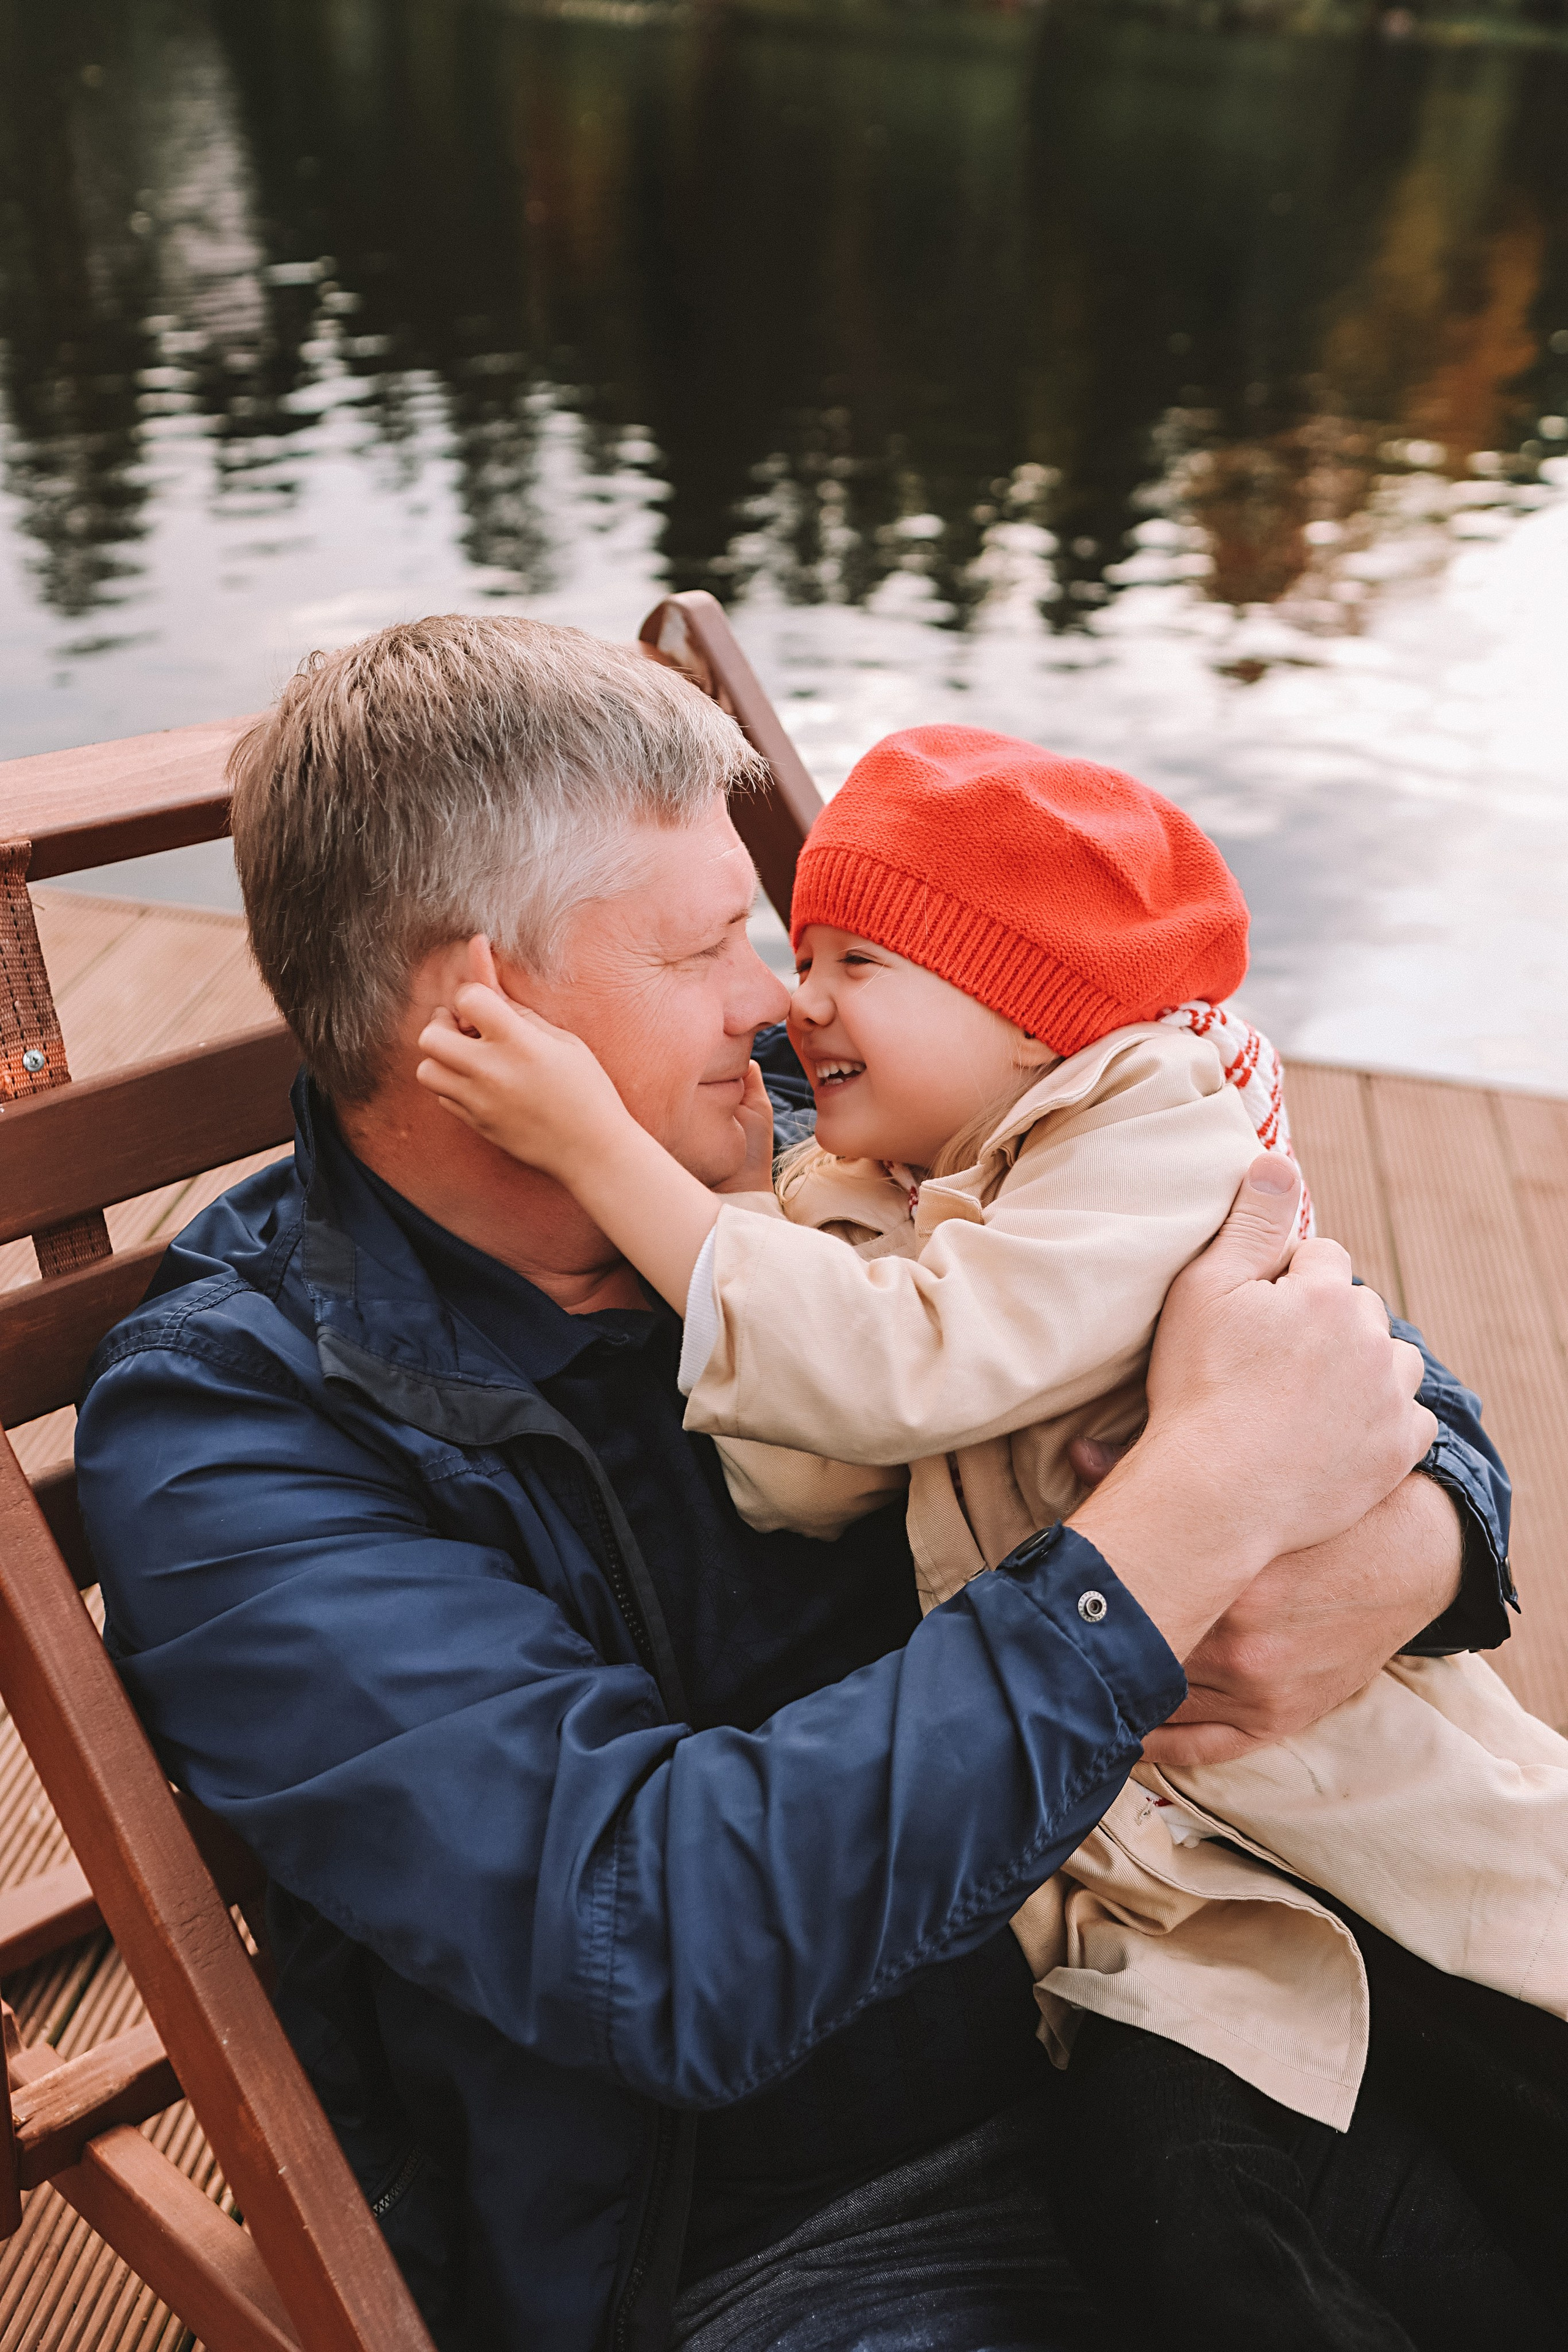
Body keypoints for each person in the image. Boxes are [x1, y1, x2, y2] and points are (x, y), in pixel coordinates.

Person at [75, 617, 1516, 2352]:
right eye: (705, 947)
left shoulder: (804, 1128)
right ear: (485, 1007)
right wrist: (1190, 1514)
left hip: (1203, 1991)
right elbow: (662, 1936)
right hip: (807, 2235)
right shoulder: (243, 1436)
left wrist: (1422, 1539)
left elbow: (1320, 1341)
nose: (778, 999)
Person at [414, 721, 1568, 2340]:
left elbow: (916, 1375)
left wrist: (1434, 1532)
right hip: (1161, 1901)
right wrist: (795, 1217)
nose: (785, 1004)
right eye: (757, 948)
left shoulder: (1149, 1120)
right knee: (1186, 2208)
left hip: (1358, 1816)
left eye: (848, 957)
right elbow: (803, 1473)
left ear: (1033, 1018)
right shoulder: (908, 1170)